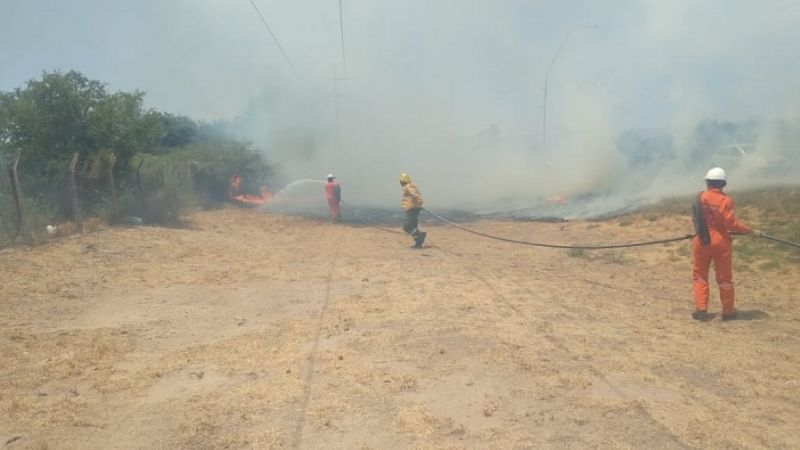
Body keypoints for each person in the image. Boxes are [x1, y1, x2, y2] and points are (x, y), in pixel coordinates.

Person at [691, 167, 761, 321]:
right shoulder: (726, 200)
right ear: (723, 184)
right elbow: (731, 224)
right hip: (721, 243)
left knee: (700, 276)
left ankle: (701, 310)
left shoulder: (700, 197)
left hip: (701, 240)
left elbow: (696, 219)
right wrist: (749, 231)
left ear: (708, 182)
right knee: (724, 279)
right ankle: (728, 312)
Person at [399, 173, 427, 248]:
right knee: (413, 226)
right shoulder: (409, 186)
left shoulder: (408, 187)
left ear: (402, 181)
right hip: (413, 208)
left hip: (412, 209)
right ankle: (418, 242)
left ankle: (419, 236)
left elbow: (416, 195)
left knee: (407, 226)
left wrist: (420, 203)